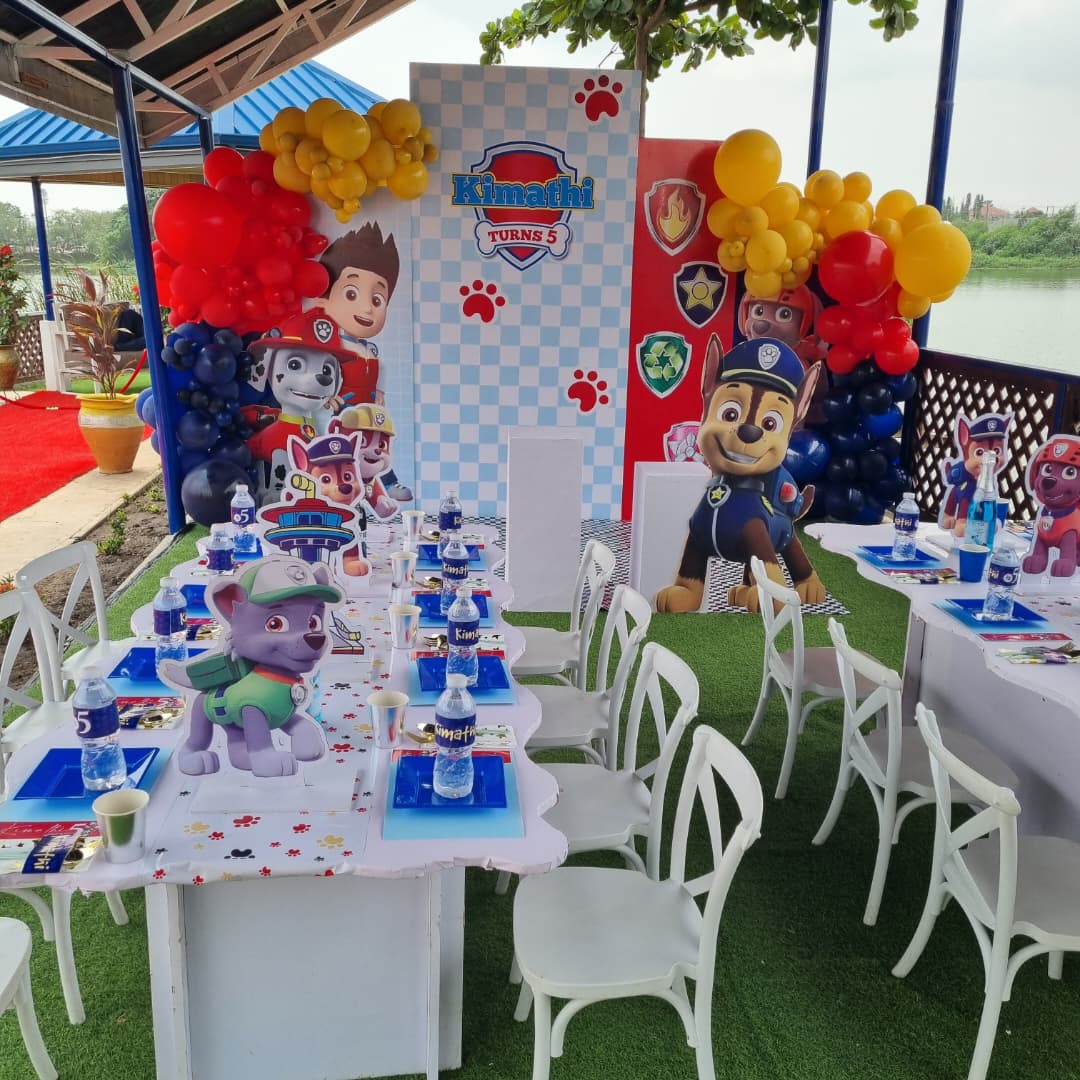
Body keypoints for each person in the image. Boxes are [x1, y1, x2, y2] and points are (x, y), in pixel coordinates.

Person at [318, 222, 412, 501]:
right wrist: (327, 399)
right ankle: (345, 489)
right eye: (351, 293)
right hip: (346, 408)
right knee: (349, 450)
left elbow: (379, 372)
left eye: (377, 298)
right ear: (324, 298)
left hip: (370, 407)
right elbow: (322, 376)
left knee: (376, 445)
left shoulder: (369, 346)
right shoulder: (331, 346)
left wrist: (380, 395)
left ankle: (386, 483)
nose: (367, 307)